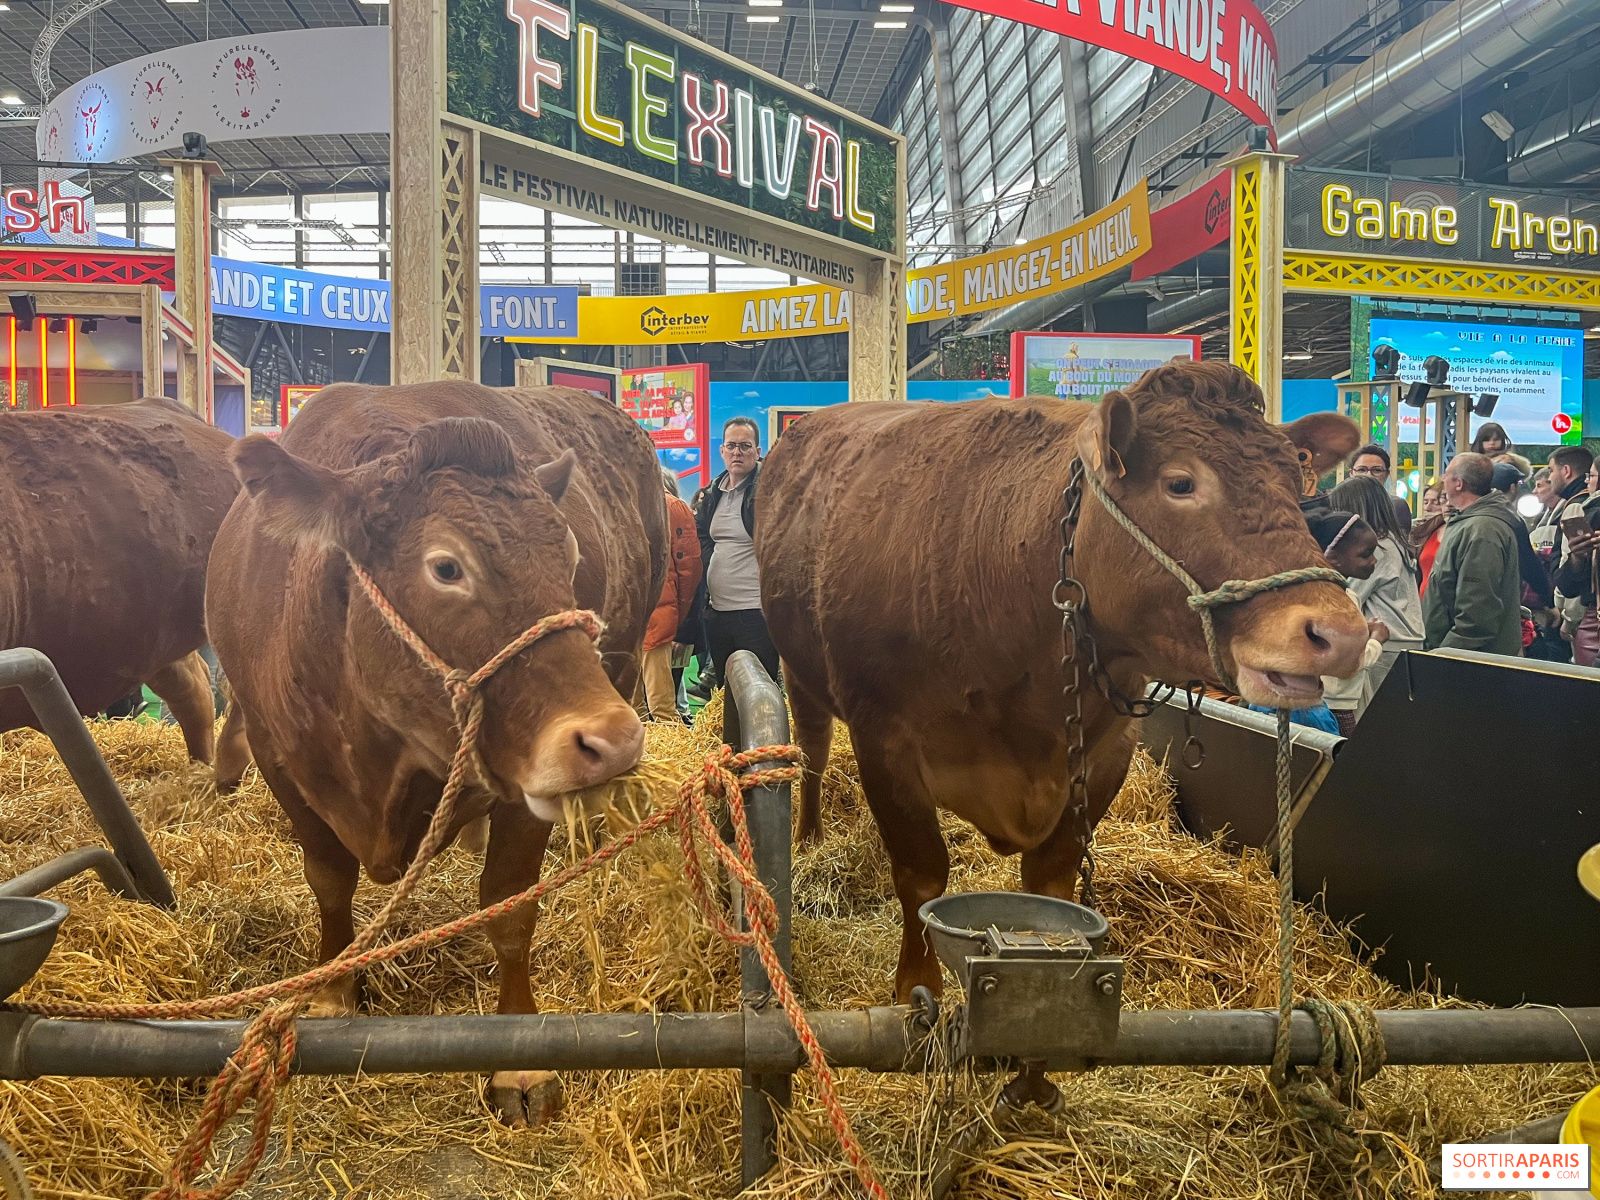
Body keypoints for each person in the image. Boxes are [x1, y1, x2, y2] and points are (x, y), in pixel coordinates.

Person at [696, 416, 781, 687]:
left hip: (756, 613)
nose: (737, 453)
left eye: (745, 446)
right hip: (717, 611)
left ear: (758, 452)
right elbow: (702, 538)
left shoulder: (771, 492)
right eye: (731, 446)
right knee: (724, 694)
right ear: (721, 451)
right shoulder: (711, 494)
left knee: (760, 694)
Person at [1327, 476, 1423, 712]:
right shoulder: (1393, 542)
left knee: (1371, 719)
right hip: (1403, 645)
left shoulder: (1376, 550)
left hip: (1386, 646)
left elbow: (1346, 597)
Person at [1422, 452, 1525, 656]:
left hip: (1472, 663)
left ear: (1459, 483)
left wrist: (1443, 654)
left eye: (1447, 474)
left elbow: (1477, 612)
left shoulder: (1482, 531)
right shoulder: (1472, 523)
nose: (1443, 479)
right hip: (1464, 657)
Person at [638, 467, 701, 723]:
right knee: (646, 705)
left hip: (651, 614)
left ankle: (664, 757)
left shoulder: (670, 507)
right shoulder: (668, 506)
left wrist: (678, 613)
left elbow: (689, 568)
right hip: (642, 616)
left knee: (654, 706)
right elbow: (689, 568)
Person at [1552, 457, 1600, 667]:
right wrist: (1578, 556)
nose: (1587, 482)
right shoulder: (1588, 512)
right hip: (1592, 618)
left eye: (1591, 476)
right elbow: (1569, 585)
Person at [1346, 443, 1413, 534]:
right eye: (1362, 470)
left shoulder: (1396, 506)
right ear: (1351, 473)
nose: (1369, 475)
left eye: (1377, 470)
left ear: (1386, 474)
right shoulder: (1335, 505)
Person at [1413, 480, 1447, 595]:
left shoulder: (1453, 532)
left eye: (1435, 502)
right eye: (1425, 502)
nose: (1428, 508)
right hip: (1422, 599)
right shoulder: (1423, 533)